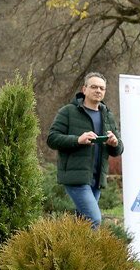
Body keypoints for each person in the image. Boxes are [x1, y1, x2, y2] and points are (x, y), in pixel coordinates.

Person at [46, 73, 123, 229]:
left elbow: (118, 150)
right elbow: (52, 139)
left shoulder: (107, 115)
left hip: (96, 179)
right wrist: (77, 140)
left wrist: (114, 143)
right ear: (84, 89)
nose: (98, 90)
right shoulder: (68, 111)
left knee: (82, 224)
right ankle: (91, 253)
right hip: (76, 177)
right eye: (94, 87)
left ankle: (70, 251)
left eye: (102, 88)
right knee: (94, 219)